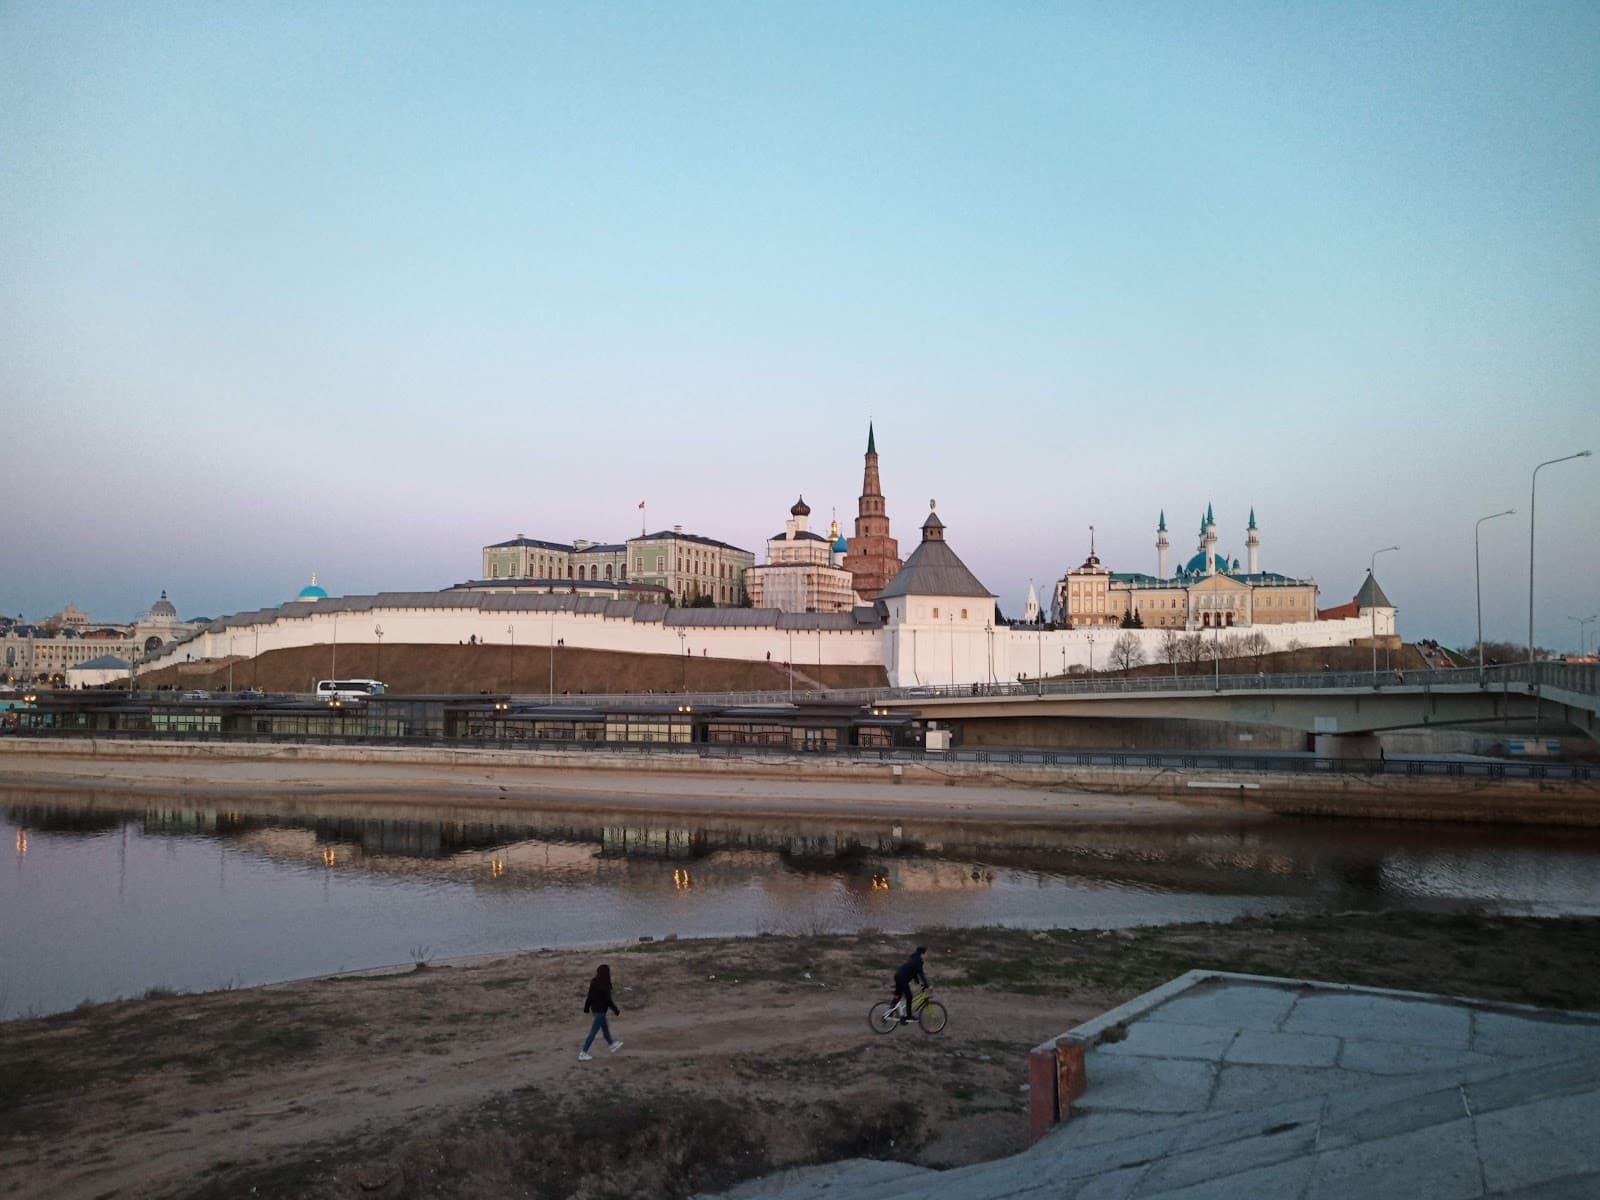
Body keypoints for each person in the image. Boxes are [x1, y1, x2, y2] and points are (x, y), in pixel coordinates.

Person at [579, 963, 623, 1061]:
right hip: (601, 1012)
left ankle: (612, 1045)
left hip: (595, 1010)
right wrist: (616, 1010)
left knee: (605, 1029)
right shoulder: (606, 985)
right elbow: (608, 1001)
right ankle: (583, 1052)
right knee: (593, 1032)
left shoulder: (594, 982)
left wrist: (586, 1008)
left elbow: (589, 996)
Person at [892, 945, 928, 1023]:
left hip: (898, 976)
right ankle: (908, 1016)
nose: (927, 955)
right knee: (909, 997)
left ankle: (890, 1012)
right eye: (926, 953)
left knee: (898, 995)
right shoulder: (918, 961)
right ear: (922, 953)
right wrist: (927, 985)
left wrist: (919, 983)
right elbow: (921, 974)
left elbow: (914, 973)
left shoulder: (914, 958)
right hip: (902, 979)